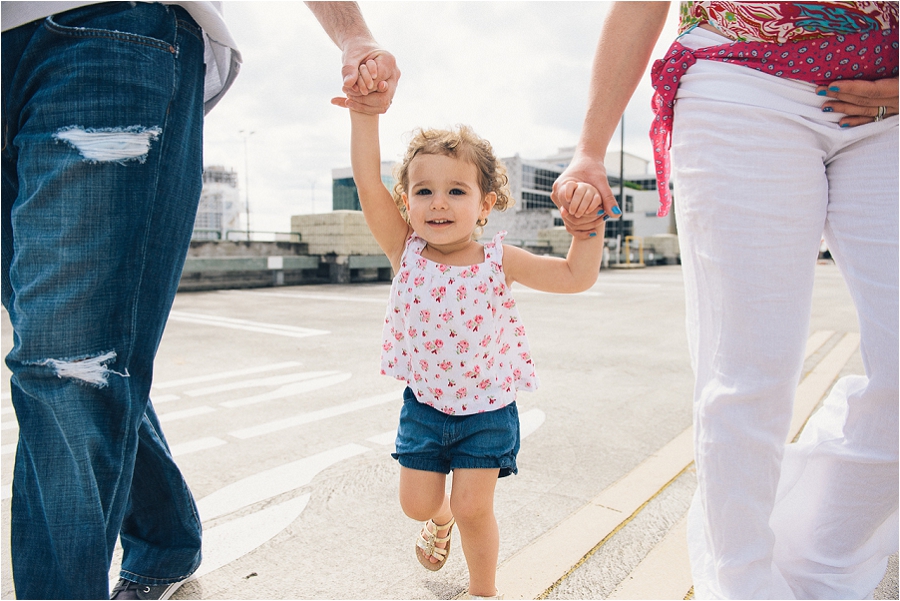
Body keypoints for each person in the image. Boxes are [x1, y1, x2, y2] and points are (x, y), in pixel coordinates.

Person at [1, 2, 397, 599]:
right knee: (67, 355)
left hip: (103, 32)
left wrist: (352, 32)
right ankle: (165, 537)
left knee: (67, 368)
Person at [551, 2, 898, 599]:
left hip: (885, 102)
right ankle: (744, 584)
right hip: (740, 84)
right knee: (749, 374)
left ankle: (818, 563)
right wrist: (591, 146)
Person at [336, 63, 603, 598]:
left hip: (487, 408)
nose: (439, 202)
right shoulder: (404, 250)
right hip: (427, 407)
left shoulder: (497, 259)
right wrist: (366, 115)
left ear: (485, 204)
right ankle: (438, 525)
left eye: (457, 191)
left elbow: (575, 276)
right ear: (406, 202)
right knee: (417, 503)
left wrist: (586, 228)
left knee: (473, 506)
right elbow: (367, 179)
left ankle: (484, 591)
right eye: (424, 191)